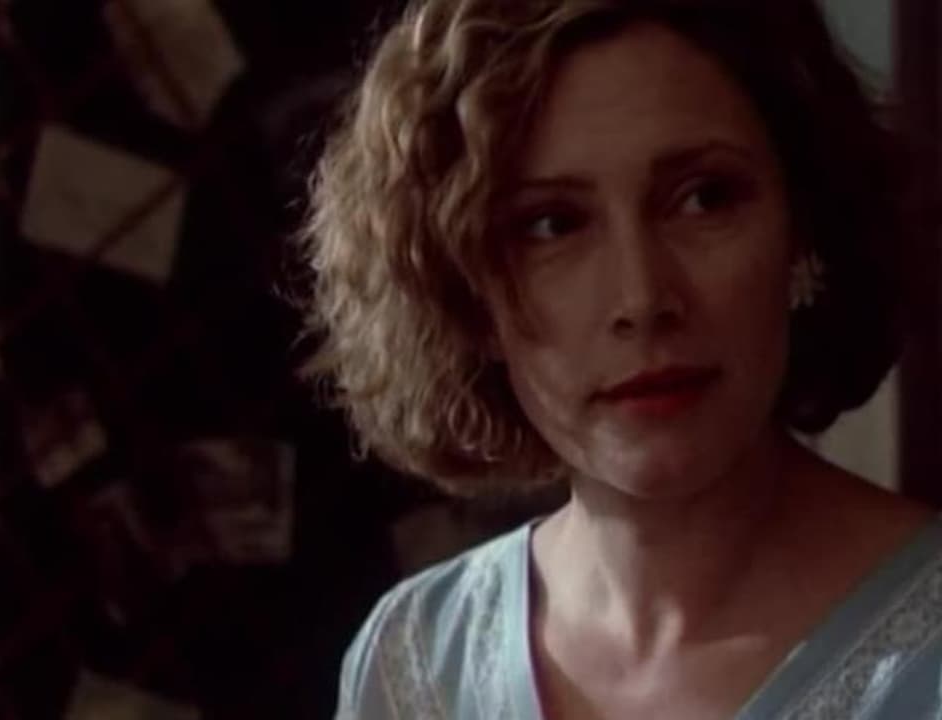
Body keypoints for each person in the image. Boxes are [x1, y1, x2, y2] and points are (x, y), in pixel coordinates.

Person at [300, 0, 942, 717]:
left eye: (703, 199)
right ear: (467, 297)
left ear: (804, 231)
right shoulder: (415, 658)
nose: (641, 297)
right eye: (552, 224)